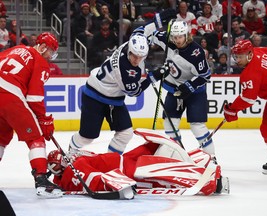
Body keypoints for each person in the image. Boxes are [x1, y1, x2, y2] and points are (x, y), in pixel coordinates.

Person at [68, 9, 176, 155]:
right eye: (134, 56)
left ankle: (111, 161)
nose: (136, 60)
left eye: (140, 57)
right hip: (95, 95)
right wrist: (154, 76)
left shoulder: (134, 40)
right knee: (88, 136)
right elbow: (135, 92)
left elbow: (143, 29)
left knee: (125, 133)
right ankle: (70, 153)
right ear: (130, 50)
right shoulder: (125, 69)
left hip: (113, 97)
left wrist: (160, 19)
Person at [48, 129, 230, 197]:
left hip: (124, 159)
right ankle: (209, 181)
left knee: (156, 146)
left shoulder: (72, 168)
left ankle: (197, 159)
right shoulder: (75, 169)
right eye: (63, 161)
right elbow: (96, 180)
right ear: (60, 169)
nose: (67, 159)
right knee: (158, 165)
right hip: (125, 169)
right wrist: (119, 184)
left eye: (64, 157)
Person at [136, 20, 217, 160]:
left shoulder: (196, 53)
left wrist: (189, 86)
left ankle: (211, 158)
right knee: (169, 123)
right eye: (174, 37)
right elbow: (149, 34)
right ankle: (179, 156)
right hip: (174, 89)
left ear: (187, 35)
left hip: (195, 92)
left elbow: (205, 75)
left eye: (180, 37)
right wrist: (143, 40)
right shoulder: (167, 38)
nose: (177, 40)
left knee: (197, 126)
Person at [0, 32, 63, 197]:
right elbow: (34, 98)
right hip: (9, 95)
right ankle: (41, 181)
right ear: (42, 48)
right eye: (50, 51)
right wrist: (44, 120)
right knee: (35, 138)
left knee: (0, 139)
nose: (50, 56)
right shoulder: (40, 60)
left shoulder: (17, 48)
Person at [223, 39, 267, 182]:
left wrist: (232, 110)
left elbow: (248, 99)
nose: (237, 59)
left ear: (249, 54)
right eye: (236, 56)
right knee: (265, 128)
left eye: (240, 56)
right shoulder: (258, 51)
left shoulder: (250, 73)